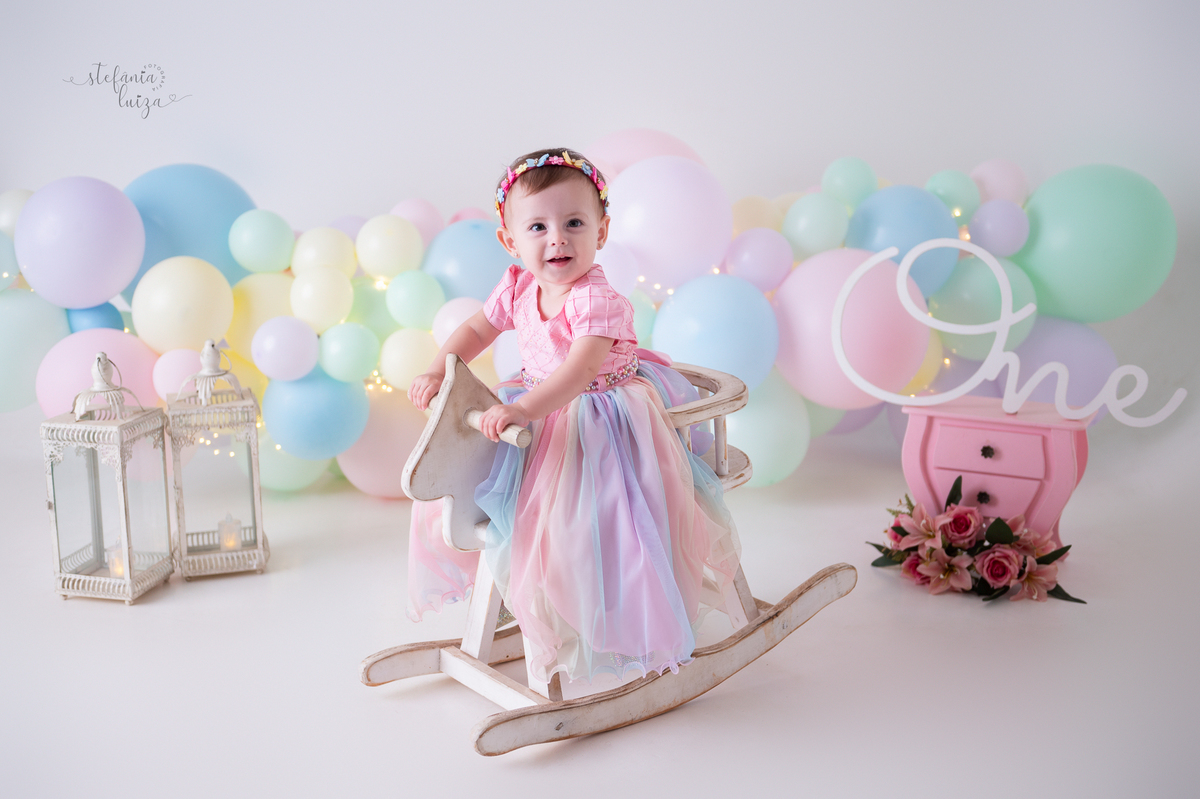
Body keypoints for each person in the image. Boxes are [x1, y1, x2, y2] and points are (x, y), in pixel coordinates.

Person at [406, 148, 741, 685]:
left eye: (574, 223)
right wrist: (438, 369)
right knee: (484, 470)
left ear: (601, 232)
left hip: (601, 413)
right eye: (538, 227)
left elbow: (579, 370)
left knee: (582, 510)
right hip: (539, 402)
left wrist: (522, 408)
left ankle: (608, 604)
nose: (557, 239)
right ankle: (536, 591)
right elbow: (474, 330)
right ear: (511, 241)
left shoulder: (595, 299)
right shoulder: (517, 285)